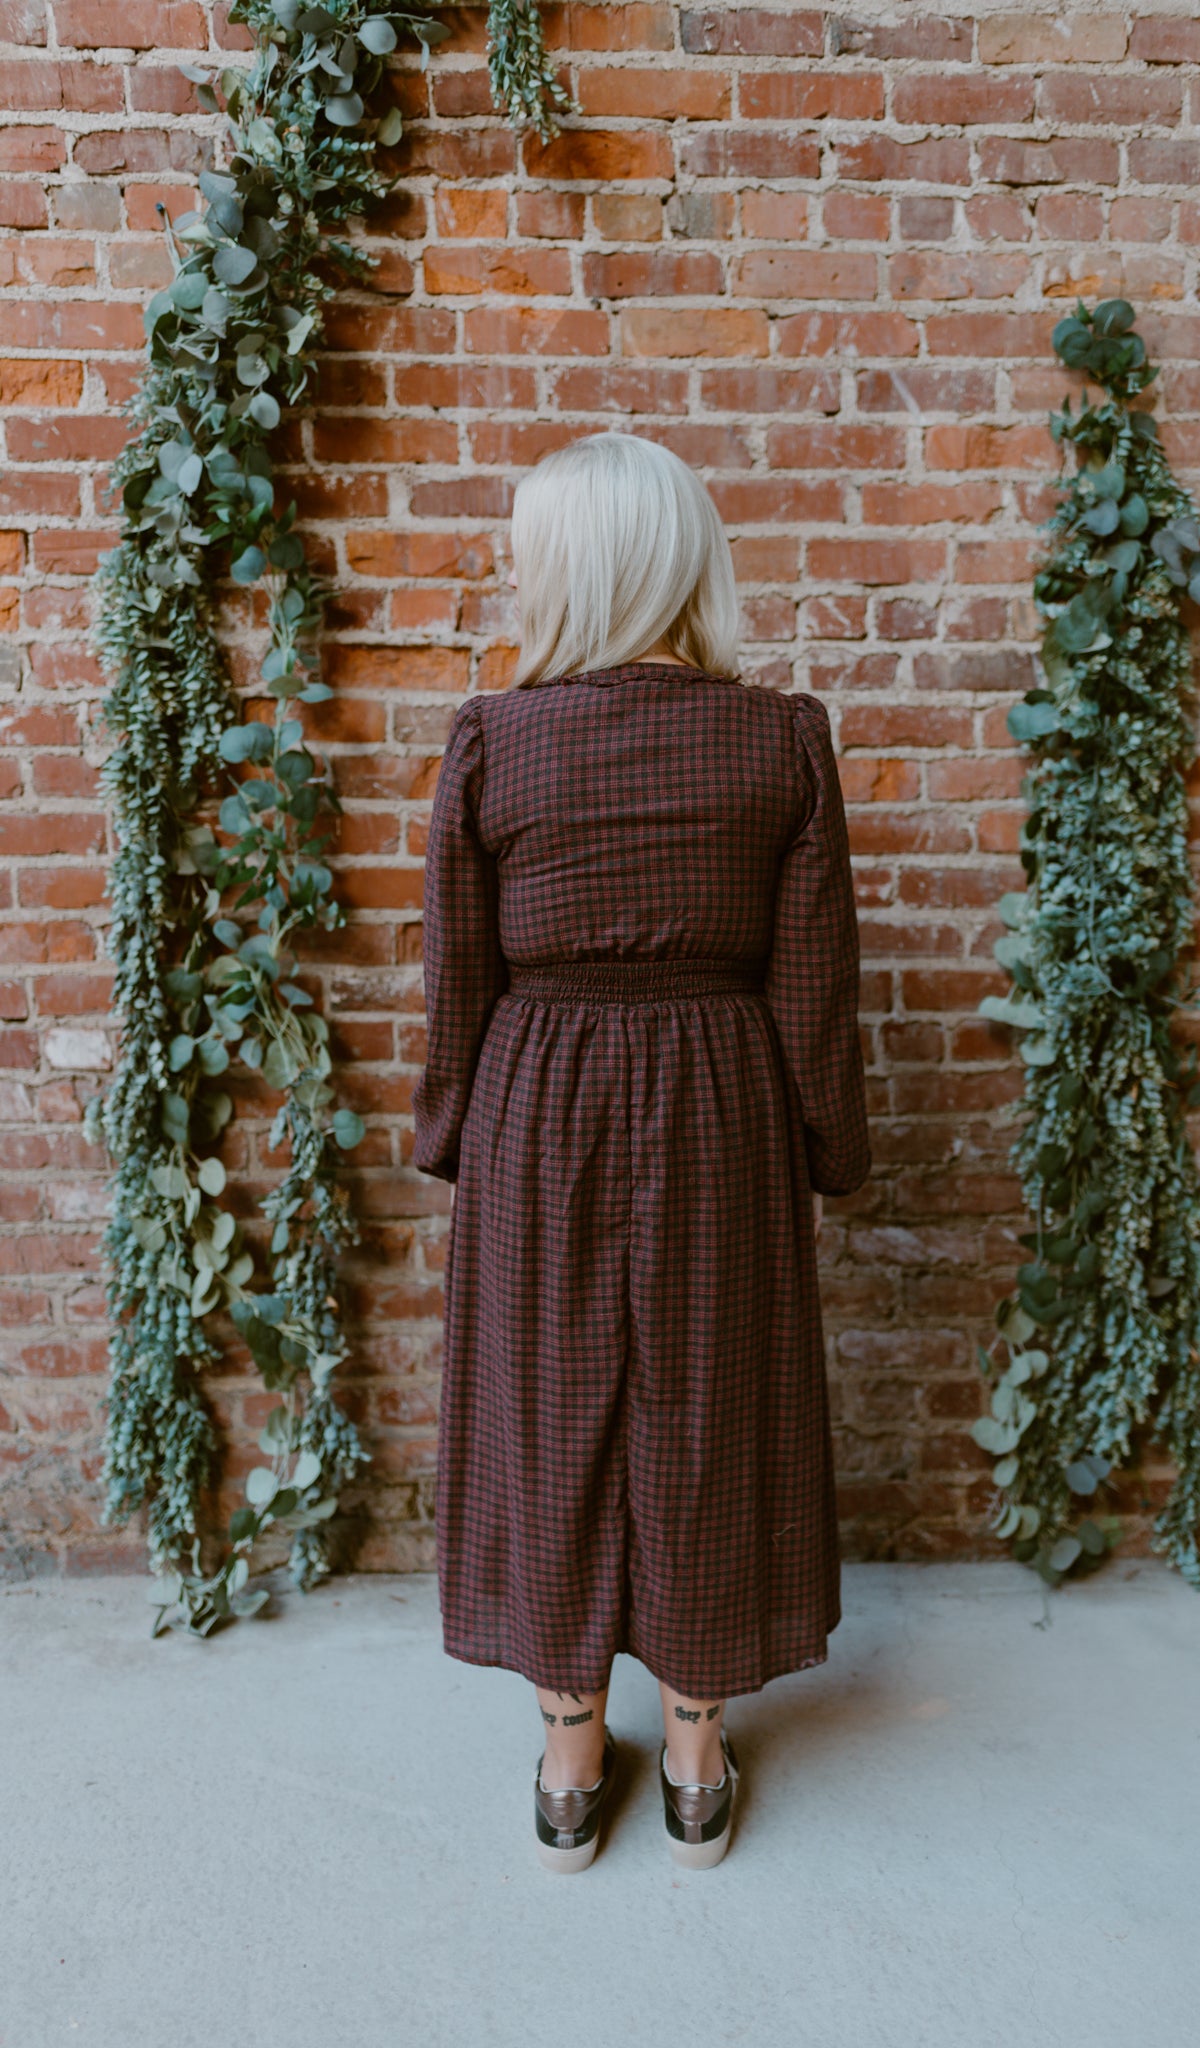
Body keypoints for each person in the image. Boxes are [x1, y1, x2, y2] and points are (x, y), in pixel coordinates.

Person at [412, 431, 871, 1874]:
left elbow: (456, 981)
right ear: (684, 560)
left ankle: (566, 1749)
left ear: (565, 567)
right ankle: (691, 1743)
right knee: (709, 1406)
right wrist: (828, 1146)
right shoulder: (781, 735)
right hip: (718, 1098)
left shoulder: (493, 735)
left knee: (549, 1401)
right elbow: (818, 982)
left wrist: (451, 1137)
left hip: (538, 1098)